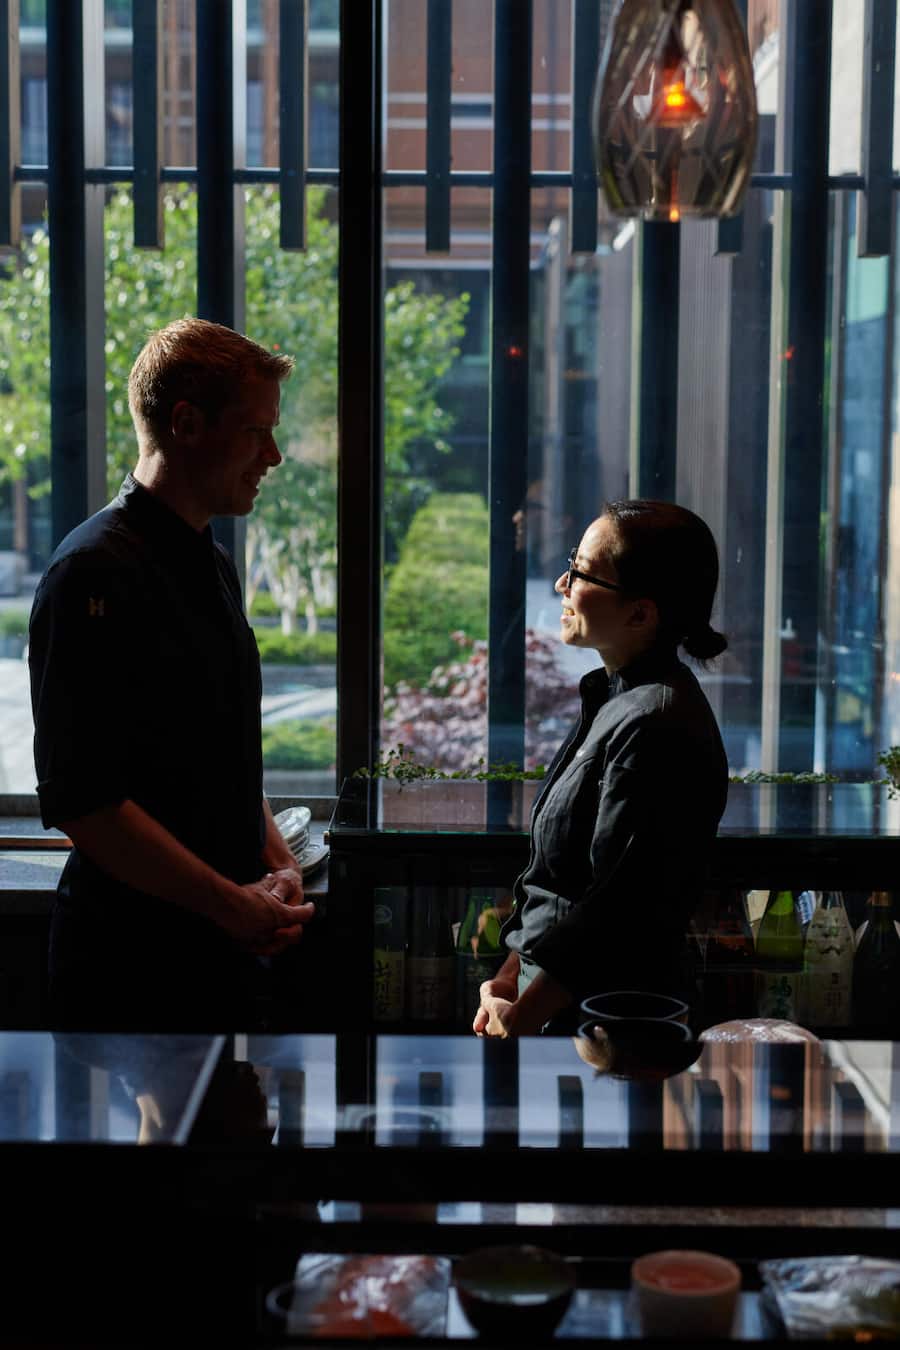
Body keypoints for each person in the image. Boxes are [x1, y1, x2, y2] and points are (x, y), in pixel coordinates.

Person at [29, 317, 315, 1031]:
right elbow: (85, 801)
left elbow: (216, 749)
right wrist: (236, 903)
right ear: (187, 424)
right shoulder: (90, 572)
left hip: (220, 944)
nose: (274, 455)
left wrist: (277, 861)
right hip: (130, 965)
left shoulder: (210, 561)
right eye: (256, 432)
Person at [474, 499, 729, 1038]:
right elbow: (560, 883)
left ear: (641, 613)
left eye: (584, 572)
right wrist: (507, 979)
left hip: (608, 1027)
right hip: (566, 1008)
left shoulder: (656, 722)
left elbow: (621, 908)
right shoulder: (620, 700)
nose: (563, 583)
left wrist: (523, 1014)